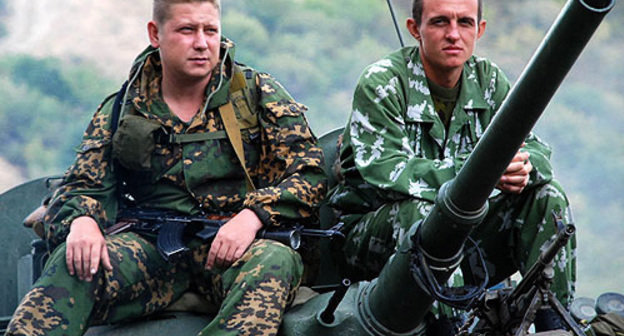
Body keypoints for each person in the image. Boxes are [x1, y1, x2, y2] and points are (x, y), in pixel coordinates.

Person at [5, 0, 326, 335]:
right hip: (150, 250)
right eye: (187, 30)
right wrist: (82, 222)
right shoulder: (124, 108)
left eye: (210, 30)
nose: (202, 43)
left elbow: (311, 174)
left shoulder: (256, 94)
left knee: (274, 261)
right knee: (74, 263)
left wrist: (252, 217)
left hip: (237, 248)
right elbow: (82, 184)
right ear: (155, 34)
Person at [329, 0, 575, 331]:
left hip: (465, 239)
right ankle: (450, 328)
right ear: (415, 29)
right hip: (375, 241)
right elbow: (384, 170)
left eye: (465, 23)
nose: (453, 34)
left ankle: (552, 321)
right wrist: (484, 174)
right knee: (425, 214)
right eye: (440, 22)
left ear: (480, 30)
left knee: (548, 196)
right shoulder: (383, 84)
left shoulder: (487, 81)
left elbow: (537, 150)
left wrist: (523, 169)